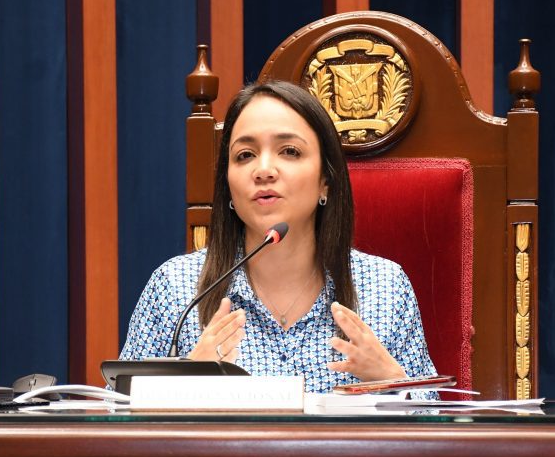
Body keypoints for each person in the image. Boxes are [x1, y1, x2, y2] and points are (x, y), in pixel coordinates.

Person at [119, 80, 435, 393]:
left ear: (326, 180)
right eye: (245, 155)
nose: (264, 170)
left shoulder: (384, 286)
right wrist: (183, 387)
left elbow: (438, 433)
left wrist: (395, 381)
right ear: (227, 183)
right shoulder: (176, 288)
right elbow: (119, 430)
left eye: (289, 151)